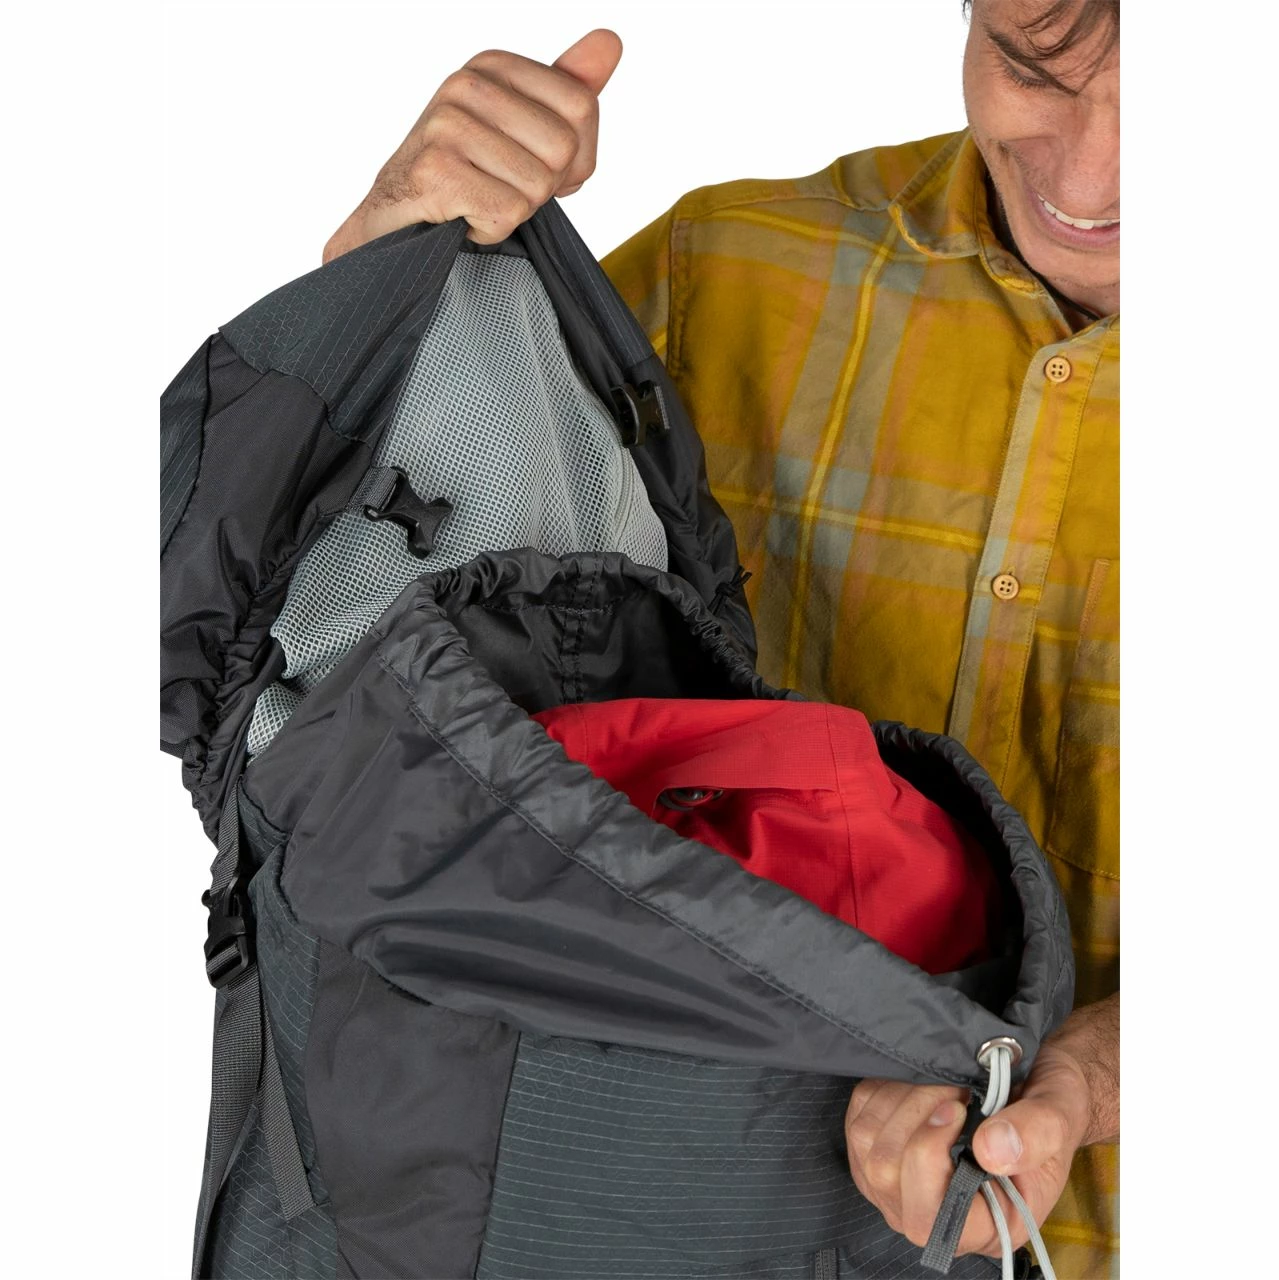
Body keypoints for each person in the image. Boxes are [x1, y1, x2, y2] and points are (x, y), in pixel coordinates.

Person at [321, 1, 1120, 1274]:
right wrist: (384, 272)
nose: (1084, 179)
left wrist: (1098, 1071)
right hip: (644, 1222)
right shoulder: (727, 273)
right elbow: (358, 658)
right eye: (1032, 72)